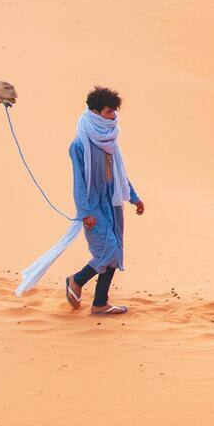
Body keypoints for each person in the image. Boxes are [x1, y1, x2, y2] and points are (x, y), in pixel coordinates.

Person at [63, 86, 143, 317]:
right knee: (107, 251)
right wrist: (84, 212)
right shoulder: (79, 145)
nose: (113, 116)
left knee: (115, 253)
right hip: (93, 206)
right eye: (109, 112)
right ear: (96, 112)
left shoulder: (109, 140)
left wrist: (134, 197)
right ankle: (76, 280)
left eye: (114, 112)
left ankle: (100, 303)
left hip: (113, 202)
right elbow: (79, 181)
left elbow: (119, 173)